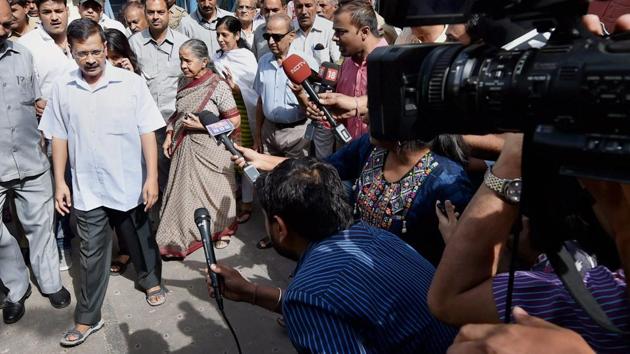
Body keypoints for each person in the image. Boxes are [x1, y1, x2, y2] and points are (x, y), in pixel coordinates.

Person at [207, 158, 457, 353]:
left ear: (280, 228)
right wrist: (251, 292)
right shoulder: (374, 235)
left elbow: (318, 302)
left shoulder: (310, 296)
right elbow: (338, 307)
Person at [38, 19, 166, 346]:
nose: (91, 59)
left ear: (105, 48)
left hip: (128, 182)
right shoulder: (63, 89)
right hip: (86, 186)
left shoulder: (130, 83)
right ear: (71, 52)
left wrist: (151, 177)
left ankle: (150, 279)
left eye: (96, 51)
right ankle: (87, 317)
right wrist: (60, 183)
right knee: (91, 251)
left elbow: (147, 131)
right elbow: (60, 137)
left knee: (138, 234)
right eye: (83, 54)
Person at [0, 0, 70, 325]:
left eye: (7, 22)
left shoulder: (23, 54)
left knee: (41, 225)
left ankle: (50, 282)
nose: (8, 28)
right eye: (1, 24)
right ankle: (16, 288)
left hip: (31, 158)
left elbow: (35, 99)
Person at [157, 39, 241, 256]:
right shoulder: (183, 82)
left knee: (218, 194)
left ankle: (223, 230)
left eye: (188, 61)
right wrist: (168, 134)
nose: (183, 65)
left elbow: (234, 121)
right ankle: (180, 237)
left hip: (212, 151)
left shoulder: (217, 85)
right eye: (181, 60)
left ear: (204, 62)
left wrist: (203, 127)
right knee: (184, 196)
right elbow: (177, 113)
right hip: (185, 148)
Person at [18, 0, 76, 271]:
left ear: (67, 9)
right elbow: (22, 93)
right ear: (36, 13)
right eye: (47, 12)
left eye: (58, 11)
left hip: (88, 127)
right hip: (52, 133)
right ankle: (62, 244)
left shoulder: (82, 33)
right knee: (58, 188)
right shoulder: (28, 46)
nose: (54, 17)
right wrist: (36, 102)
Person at [129, 0, 189, 192]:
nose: (156, 16)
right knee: (153, 177)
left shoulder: (182, 43)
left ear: (168, 13)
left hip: (176, 124)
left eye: (160, 12)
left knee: (180, 177)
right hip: (147, 126)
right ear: (145, 13)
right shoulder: (134, 43)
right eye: (151, 12)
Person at [213, 15, 258, 224]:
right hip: (224, 114)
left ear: (237, 35)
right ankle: (233, 198)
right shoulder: (218, 57)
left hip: (244, 114)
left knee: (245, 157)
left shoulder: (246, 57)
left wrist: (236, 88)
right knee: (228, 158)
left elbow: (254, 91)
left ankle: (248, 203)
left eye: (225, 34)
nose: (221, 39)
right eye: (218, 35)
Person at [291, 0, 338, 65]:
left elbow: (338, 63)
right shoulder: (288, 30)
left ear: (316, 6)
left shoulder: (330, 29)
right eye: (299, 7)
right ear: (294, 8)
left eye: (308, 6)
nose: (304, 11)